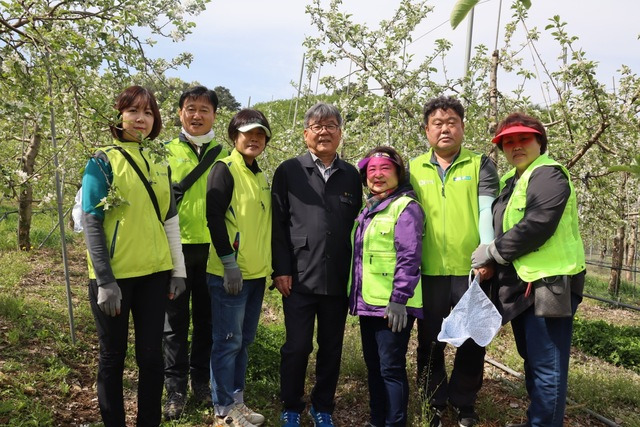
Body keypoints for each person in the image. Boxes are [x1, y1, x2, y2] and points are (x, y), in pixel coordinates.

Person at [471, 113, 586, 427]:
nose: (515, 146)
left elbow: (538, 224)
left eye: (523, 139)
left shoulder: (548, 174)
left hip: (549, 285)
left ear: (540, 142)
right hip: (523, 286)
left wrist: (493, 252)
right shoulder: (514, 181)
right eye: (508, 142)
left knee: (548, 365)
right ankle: (538, 419)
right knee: (534, 361)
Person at [82, 85, 187, 426]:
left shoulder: (159, 160)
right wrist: (105, 280)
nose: (141, 119)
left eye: (148, 112)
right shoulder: (101, 160)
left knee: (151, 357)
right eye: (133, 111)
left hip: (155, 273)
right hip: (115, 277)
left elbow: (170, 219)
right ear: (119, 115)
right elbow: (91, 221)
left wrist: (178, 271)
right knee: (112, 356)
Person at [409, 96, 499, 427]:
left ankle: (464, 402)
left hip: (471, 270)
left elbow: (486, 210)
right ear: (427, 130)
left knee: (473, 338)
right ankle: (433, 401)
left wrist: (487, 251)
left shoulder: (480, 164)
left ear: (462, 127)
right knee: (430, 339)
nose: (445, 129)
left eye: (452, 123)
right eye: (438, 123)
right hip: (428, 270)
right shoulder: (414, 168)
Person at [271, 102, 362, 427]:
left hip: (337, 277)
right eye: (317, 126)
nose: (324, 131)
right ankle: (292, 405)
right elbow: (278, 224)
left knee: (331, 348)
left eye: (331, 125)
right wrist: (280, 268)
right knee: (296, 347)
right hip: (298, 276)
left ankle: (323, 405)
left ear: (340, 133)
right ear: (305, 133)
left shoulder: (351, 175)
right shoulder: (289, 171)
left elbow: (358, 226)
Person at [163, 86, 229, 419]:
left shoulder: (225, 156)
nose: (197, 115)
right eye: (191, 108)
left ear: (215, 114)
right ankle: (174, 389)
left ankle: (200, 381)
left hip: (213, 250)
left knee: (206, 320)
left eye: (204, 109)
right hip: (175, 248)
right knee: (174, 322)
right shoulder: (164, 151)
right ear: (180, 113)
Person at [205, 109, 272, 427]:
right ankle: (223, 410)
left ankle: (237, 402)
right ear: (235, 136)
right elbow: (214, 217)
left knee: (243, 342)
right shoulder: (225, 169)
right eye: (248, 133)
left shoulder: (258, 175)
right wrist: (229, 263)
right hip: (230, 274)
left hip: (256, 274)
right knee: (227, 341)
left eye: (260, 134)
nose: (254, 139)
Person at [349, 146, 424, 427]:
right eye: (371, 170)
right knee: (374, 367)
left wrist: (399, 298)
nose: (377, 175)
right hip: (370, 303)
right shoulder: (369, 208)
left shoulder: (406, 207)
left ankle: (395, 423)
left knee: (391, 368)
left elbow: (410, 255)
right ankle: (376, 420)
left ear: (398, 173)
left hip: (394, 306)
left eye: (385, 169)